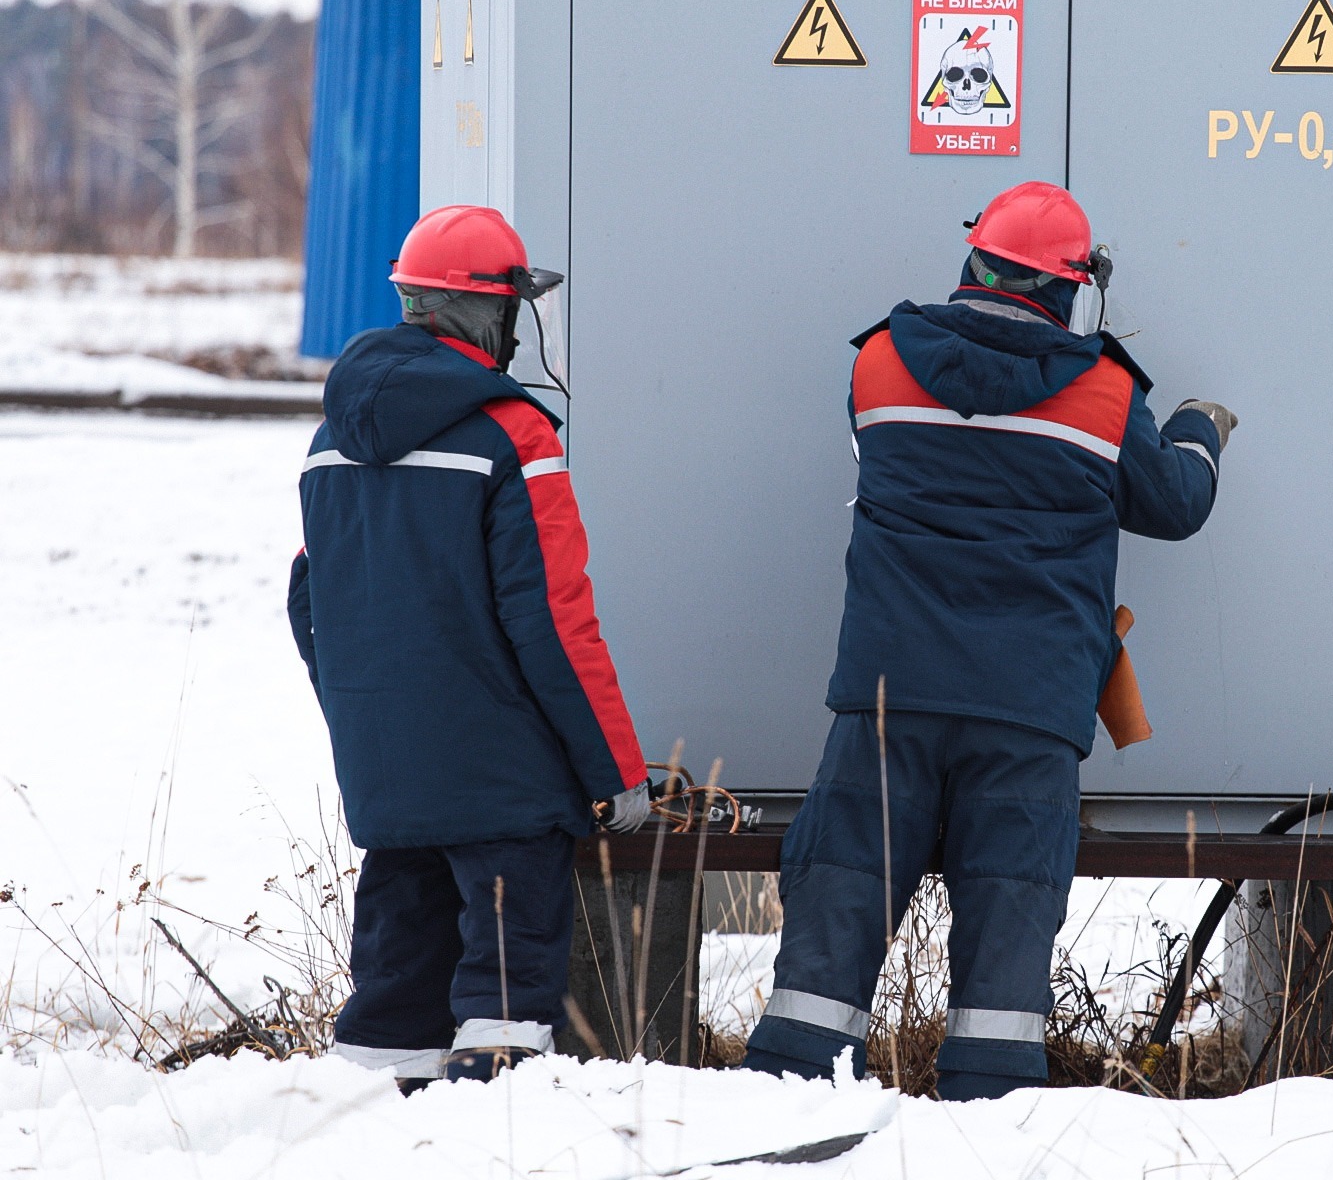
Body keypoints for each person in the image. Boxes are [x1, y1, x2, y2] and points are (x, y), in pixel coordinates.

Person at [742, 181, 1237, 1100]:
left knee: (844, 892)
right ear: (1071, 287)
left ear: (974, 262)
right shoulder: (1104, 393)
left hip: (888, 694)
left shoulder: (881, 363)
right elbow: (1173, 505)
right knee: (1010, 911)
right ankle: (990, 1111)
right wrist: (1199, 432)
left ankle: (783, 1100)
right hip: (1030, 706)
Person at [288, 205, 652, 1088]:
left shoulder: (331, 437)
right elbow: (556, 622)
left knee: (386, 1023)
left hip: (387, 777)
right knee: (503, 1022)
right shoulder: (513, 433)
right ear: (487, 313)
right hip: (503, 792)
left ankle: (363, 1144)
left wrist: (371, 721)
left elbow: (309, 603)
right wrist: (616, 774)